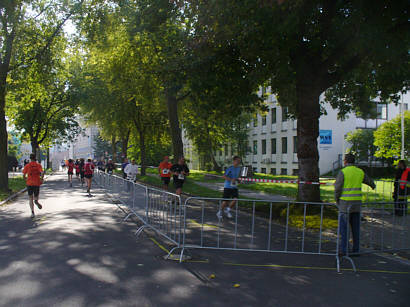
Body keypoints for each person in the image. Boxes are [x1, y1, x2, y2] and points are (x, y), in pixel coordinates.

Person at [334, 153, 375, 256]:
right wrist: (373, 185)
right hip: (356, 204)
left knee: (344, 229)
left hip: (345, 204)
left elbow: (338, 188)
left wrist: (337, 200)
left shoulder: (343, 172)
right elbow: (369, 181)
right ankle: (356, 250)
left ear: (345, 161)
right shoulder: (359, 172)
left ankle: (344, 249)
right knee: (356, 229)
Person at [23, 153, 44, 219]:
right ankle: (36, 201)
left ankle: (32, 212)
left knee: (30, 198)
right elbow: (42, 172)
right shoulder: (38, 165)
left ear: (30, 158)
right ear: (35, 158)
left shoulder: (27, 165)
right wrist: (41, 179)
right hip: (36, 182)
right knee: (36, 196)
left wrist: (26, 179)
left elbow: (23, 175)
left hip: (29, 183)